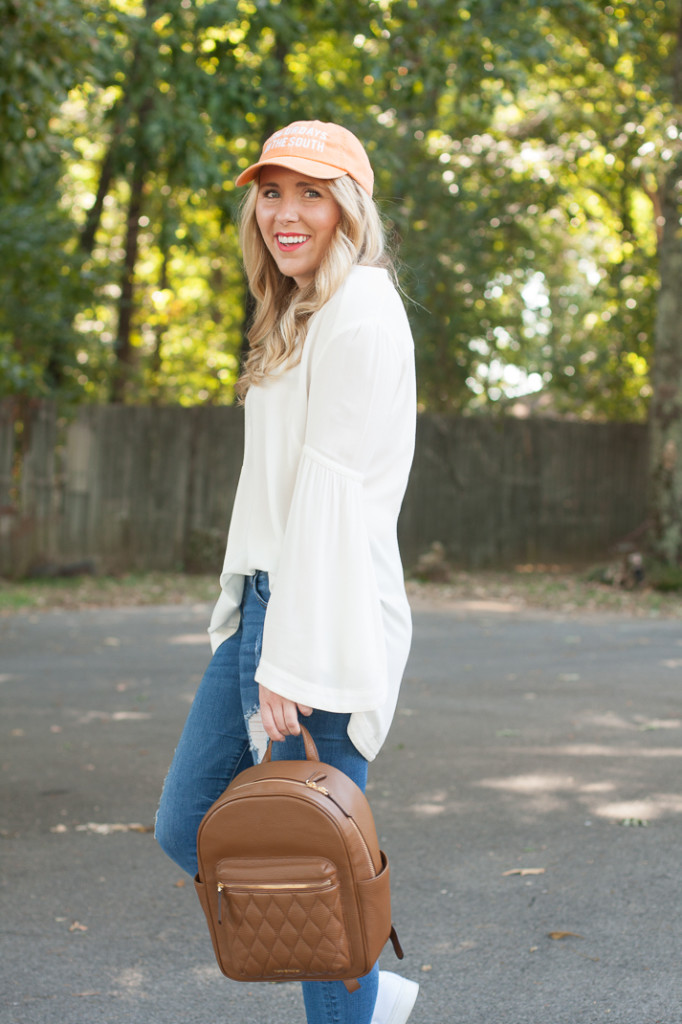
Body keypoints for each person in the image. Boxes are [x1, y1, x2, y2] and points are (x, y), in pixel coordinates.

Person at [155, 120, 419, 1024]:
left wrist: (292, 655)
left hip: (322, 613)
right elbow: (274, 489)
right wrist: (247, 613)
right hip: (270, 601)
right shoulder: (296, 310)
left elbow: (332, 498)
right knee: (190, 823)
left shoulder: (360, 307)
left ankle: (358, 1002)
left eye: (312, 193)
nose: (286, 212)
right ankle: (371, 996)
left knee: (310, 866)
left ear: (351, 208)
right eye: (272, 192)